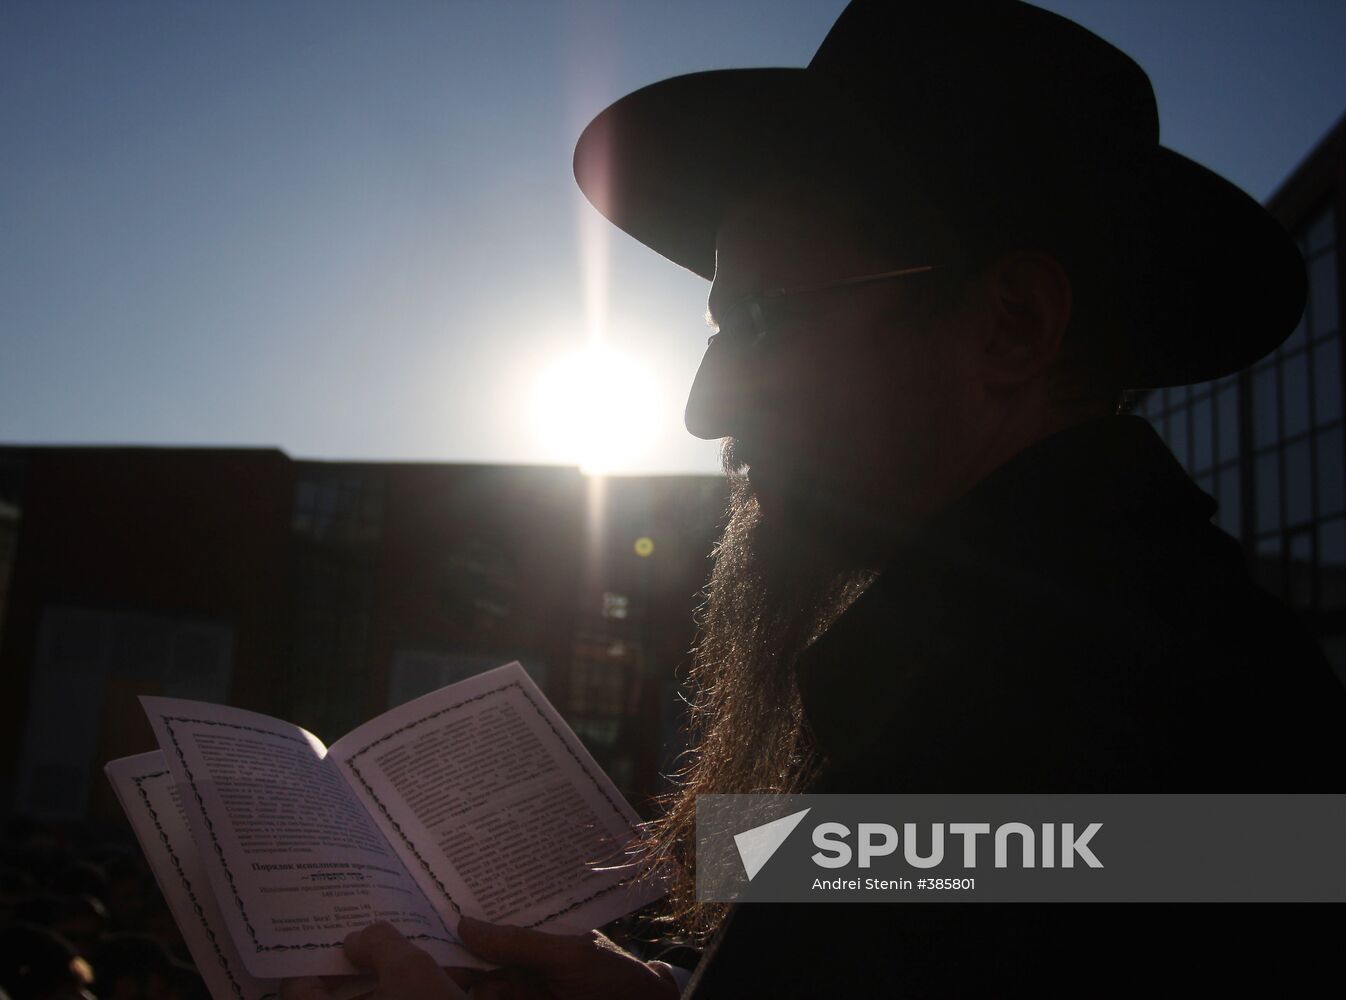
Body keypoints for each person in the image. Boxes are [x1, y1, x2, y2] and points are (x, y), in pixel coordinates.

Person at [284, 1, 1346, 996]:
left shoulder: (1066, 723)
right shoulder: (1133, 672)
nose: (704, 408)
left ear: (1009, 329)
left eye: (756, 319)